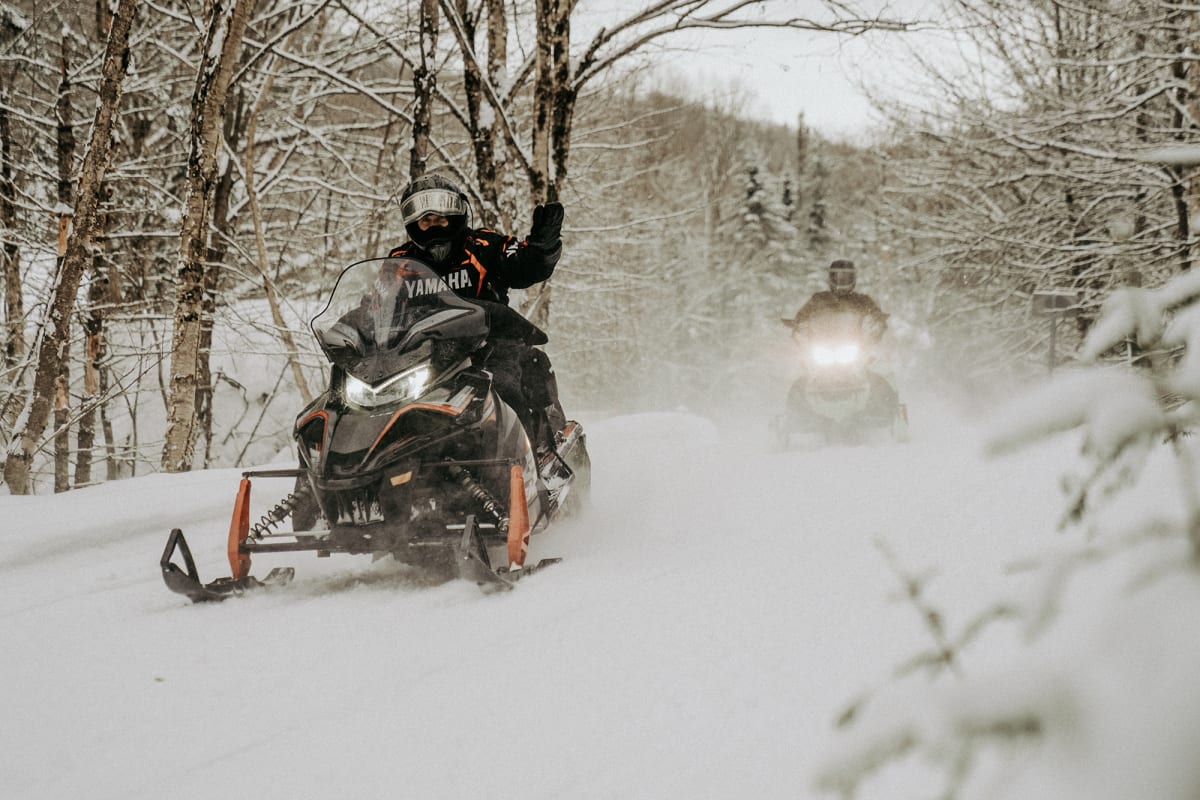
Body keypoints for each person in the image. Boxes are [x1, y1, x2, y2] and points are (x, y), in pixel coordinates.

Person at [387, 173, 568, 455]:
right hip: (421, 357)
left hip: (490, 347)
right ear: (413, 223)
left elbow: (522, 267)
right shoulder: (399, 262)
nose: (432, 225)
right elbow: (379, 303)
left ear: (456, 214)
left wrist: (541, 248)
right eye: (425, 219)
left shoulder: (484, 245)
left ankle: (533, 457)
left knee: (506, 387)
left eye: (440, 217)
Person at [782, 258, 901, 420]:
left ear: (853, 279)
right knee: (798, 378)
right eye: (837, 276)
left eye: (845, 277)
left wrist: (877, 325)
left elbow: (876, 319)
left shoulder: (863, 300)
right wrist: (798, 327)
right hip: (822, 349)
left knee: (880, 374)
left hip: (855, 350)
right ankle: (794, 418)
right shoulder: (818, 300)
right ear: (830, 278)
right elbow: (802, 318)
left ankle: (890, 413)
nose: (841, 280)